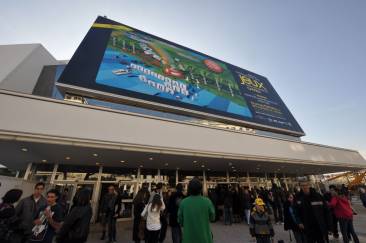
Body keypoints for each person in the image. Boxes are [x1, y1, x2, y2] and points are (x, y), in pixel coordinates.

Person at [178, 178, 215, 243]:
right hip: (205, 238)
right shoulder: (207, 201)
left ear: (189, 189)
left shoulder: (183, 202)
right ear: (200, 189)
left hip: (188, 238)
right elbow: (212, 218)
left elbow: (180, 221)